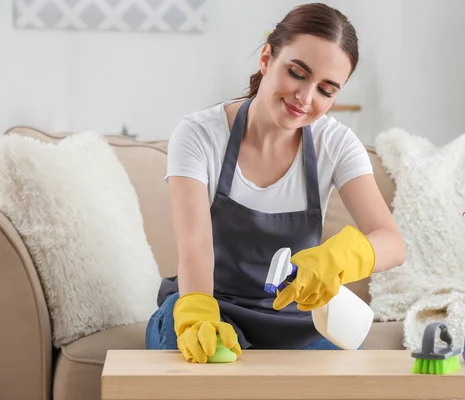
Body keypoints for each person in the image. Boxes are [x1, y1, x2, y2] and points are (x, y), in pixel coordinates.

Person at [145, 2, 406, 363]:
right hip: (213, 308)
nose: (305, 97)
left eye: (326, 90)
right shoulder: (199, 134)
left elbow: (392, 243)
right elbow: (195, 248)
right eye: (297, 72)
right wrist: (197, 312)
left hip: (302, 324)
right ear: (267, 58)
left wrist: (337, 257)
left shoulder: (336, 145)